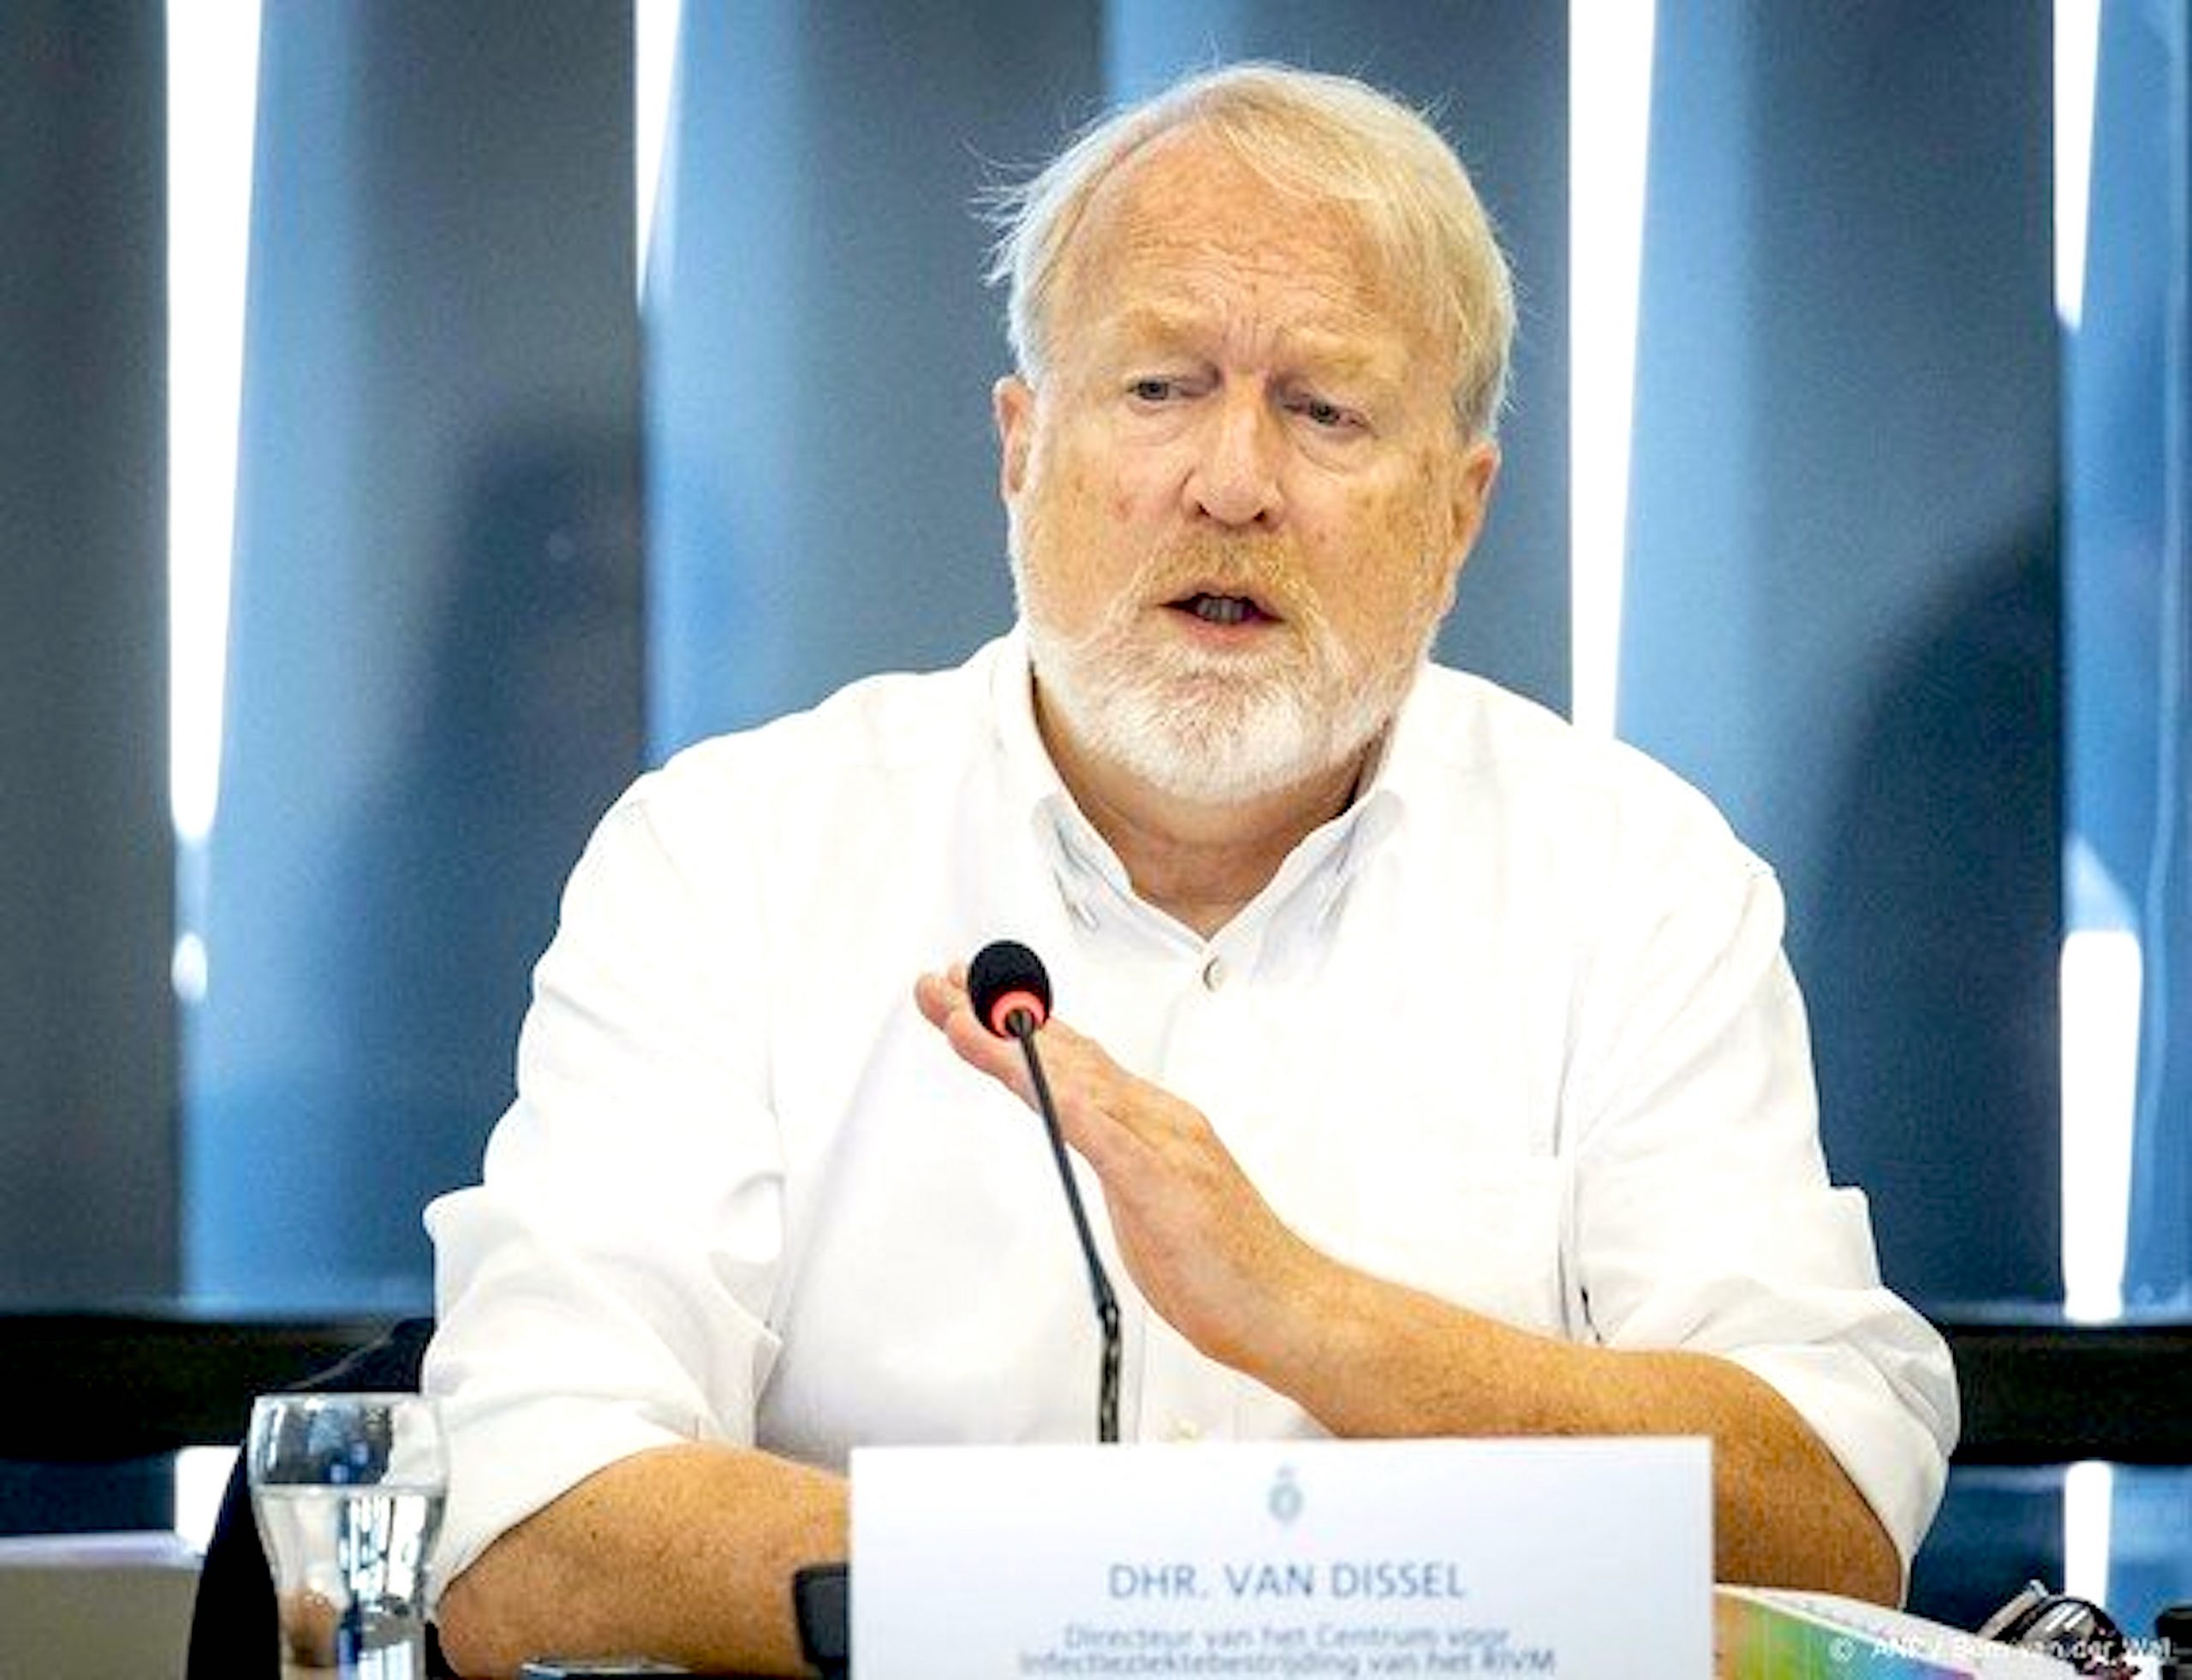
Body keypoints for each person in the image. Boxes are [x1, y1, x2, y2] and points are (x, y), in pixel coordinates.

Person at [425, 61, 1958, 1677]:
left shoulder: (1635, 884)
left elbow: (1831, 1512)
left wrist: (1309, 1314)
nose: (1233, 484)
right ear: (1021, 451)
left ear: (1458, 516)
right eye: (1160, 388)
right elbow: (526, 1520)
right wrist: (1113, 1593)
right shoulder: (729, 861)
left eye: (1325, 410)